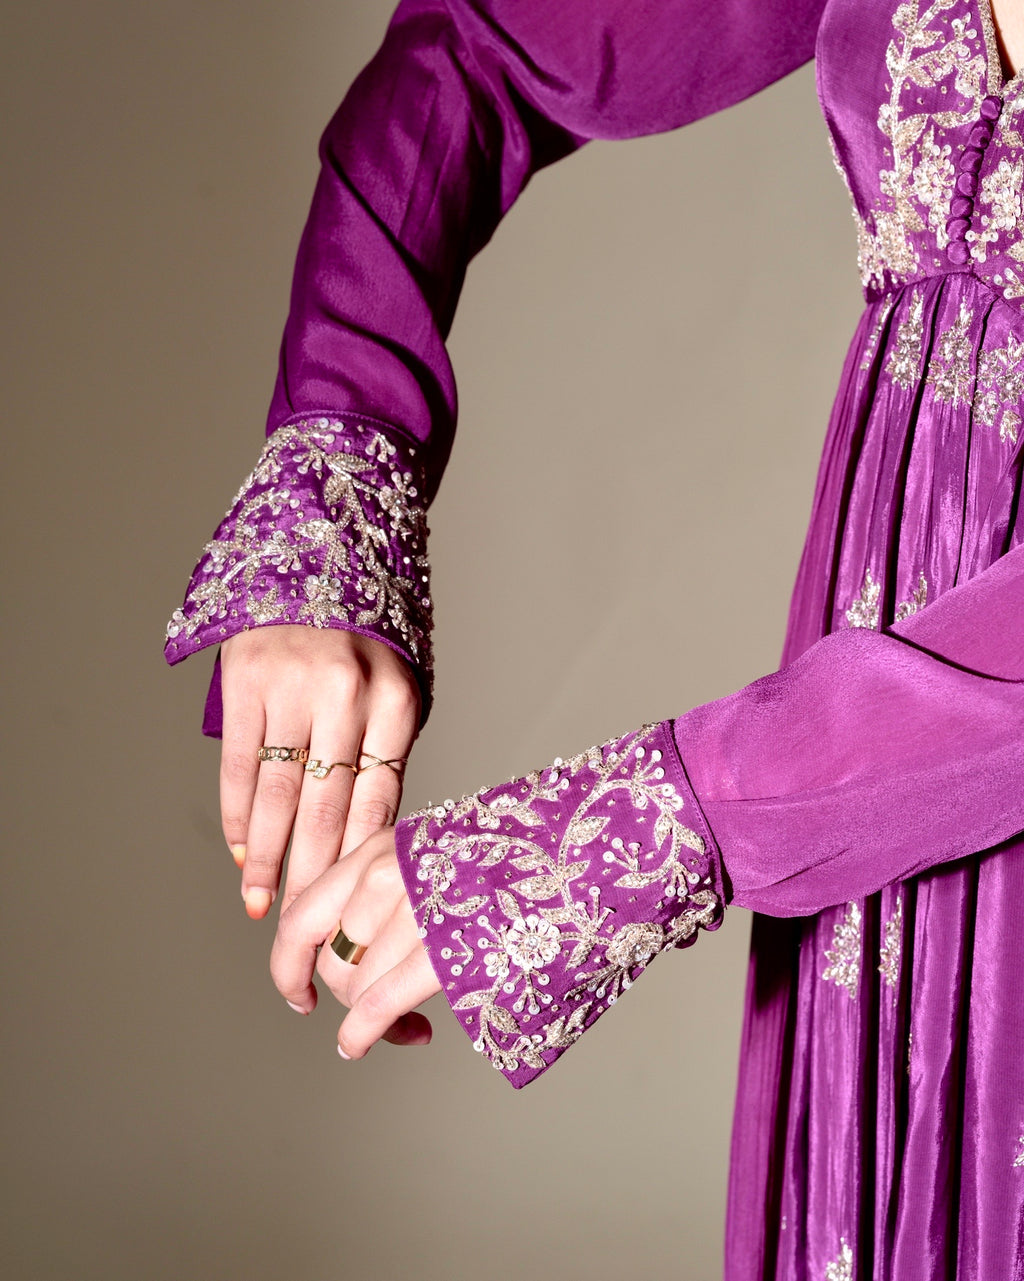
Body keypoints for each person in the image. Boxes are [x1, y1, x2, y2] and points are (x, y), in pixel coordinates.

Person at [165, 1, 1024, 1276]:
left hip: (869, 773)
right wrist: (335, 479)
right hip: (871, 835)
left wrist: (630, 836)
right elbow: (474, 51)